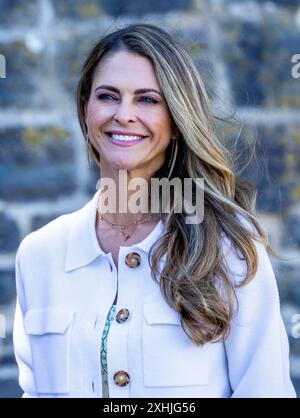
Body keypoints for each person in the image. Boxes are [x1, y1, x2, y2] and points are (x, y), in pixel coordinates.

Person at [13, 23, 296, 398]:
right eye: (108, 96)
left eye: (147, 99)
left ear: (176, 122)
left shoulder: (229, 246)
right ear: (85, 110)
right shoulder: (39, 254)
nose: (124, 114)